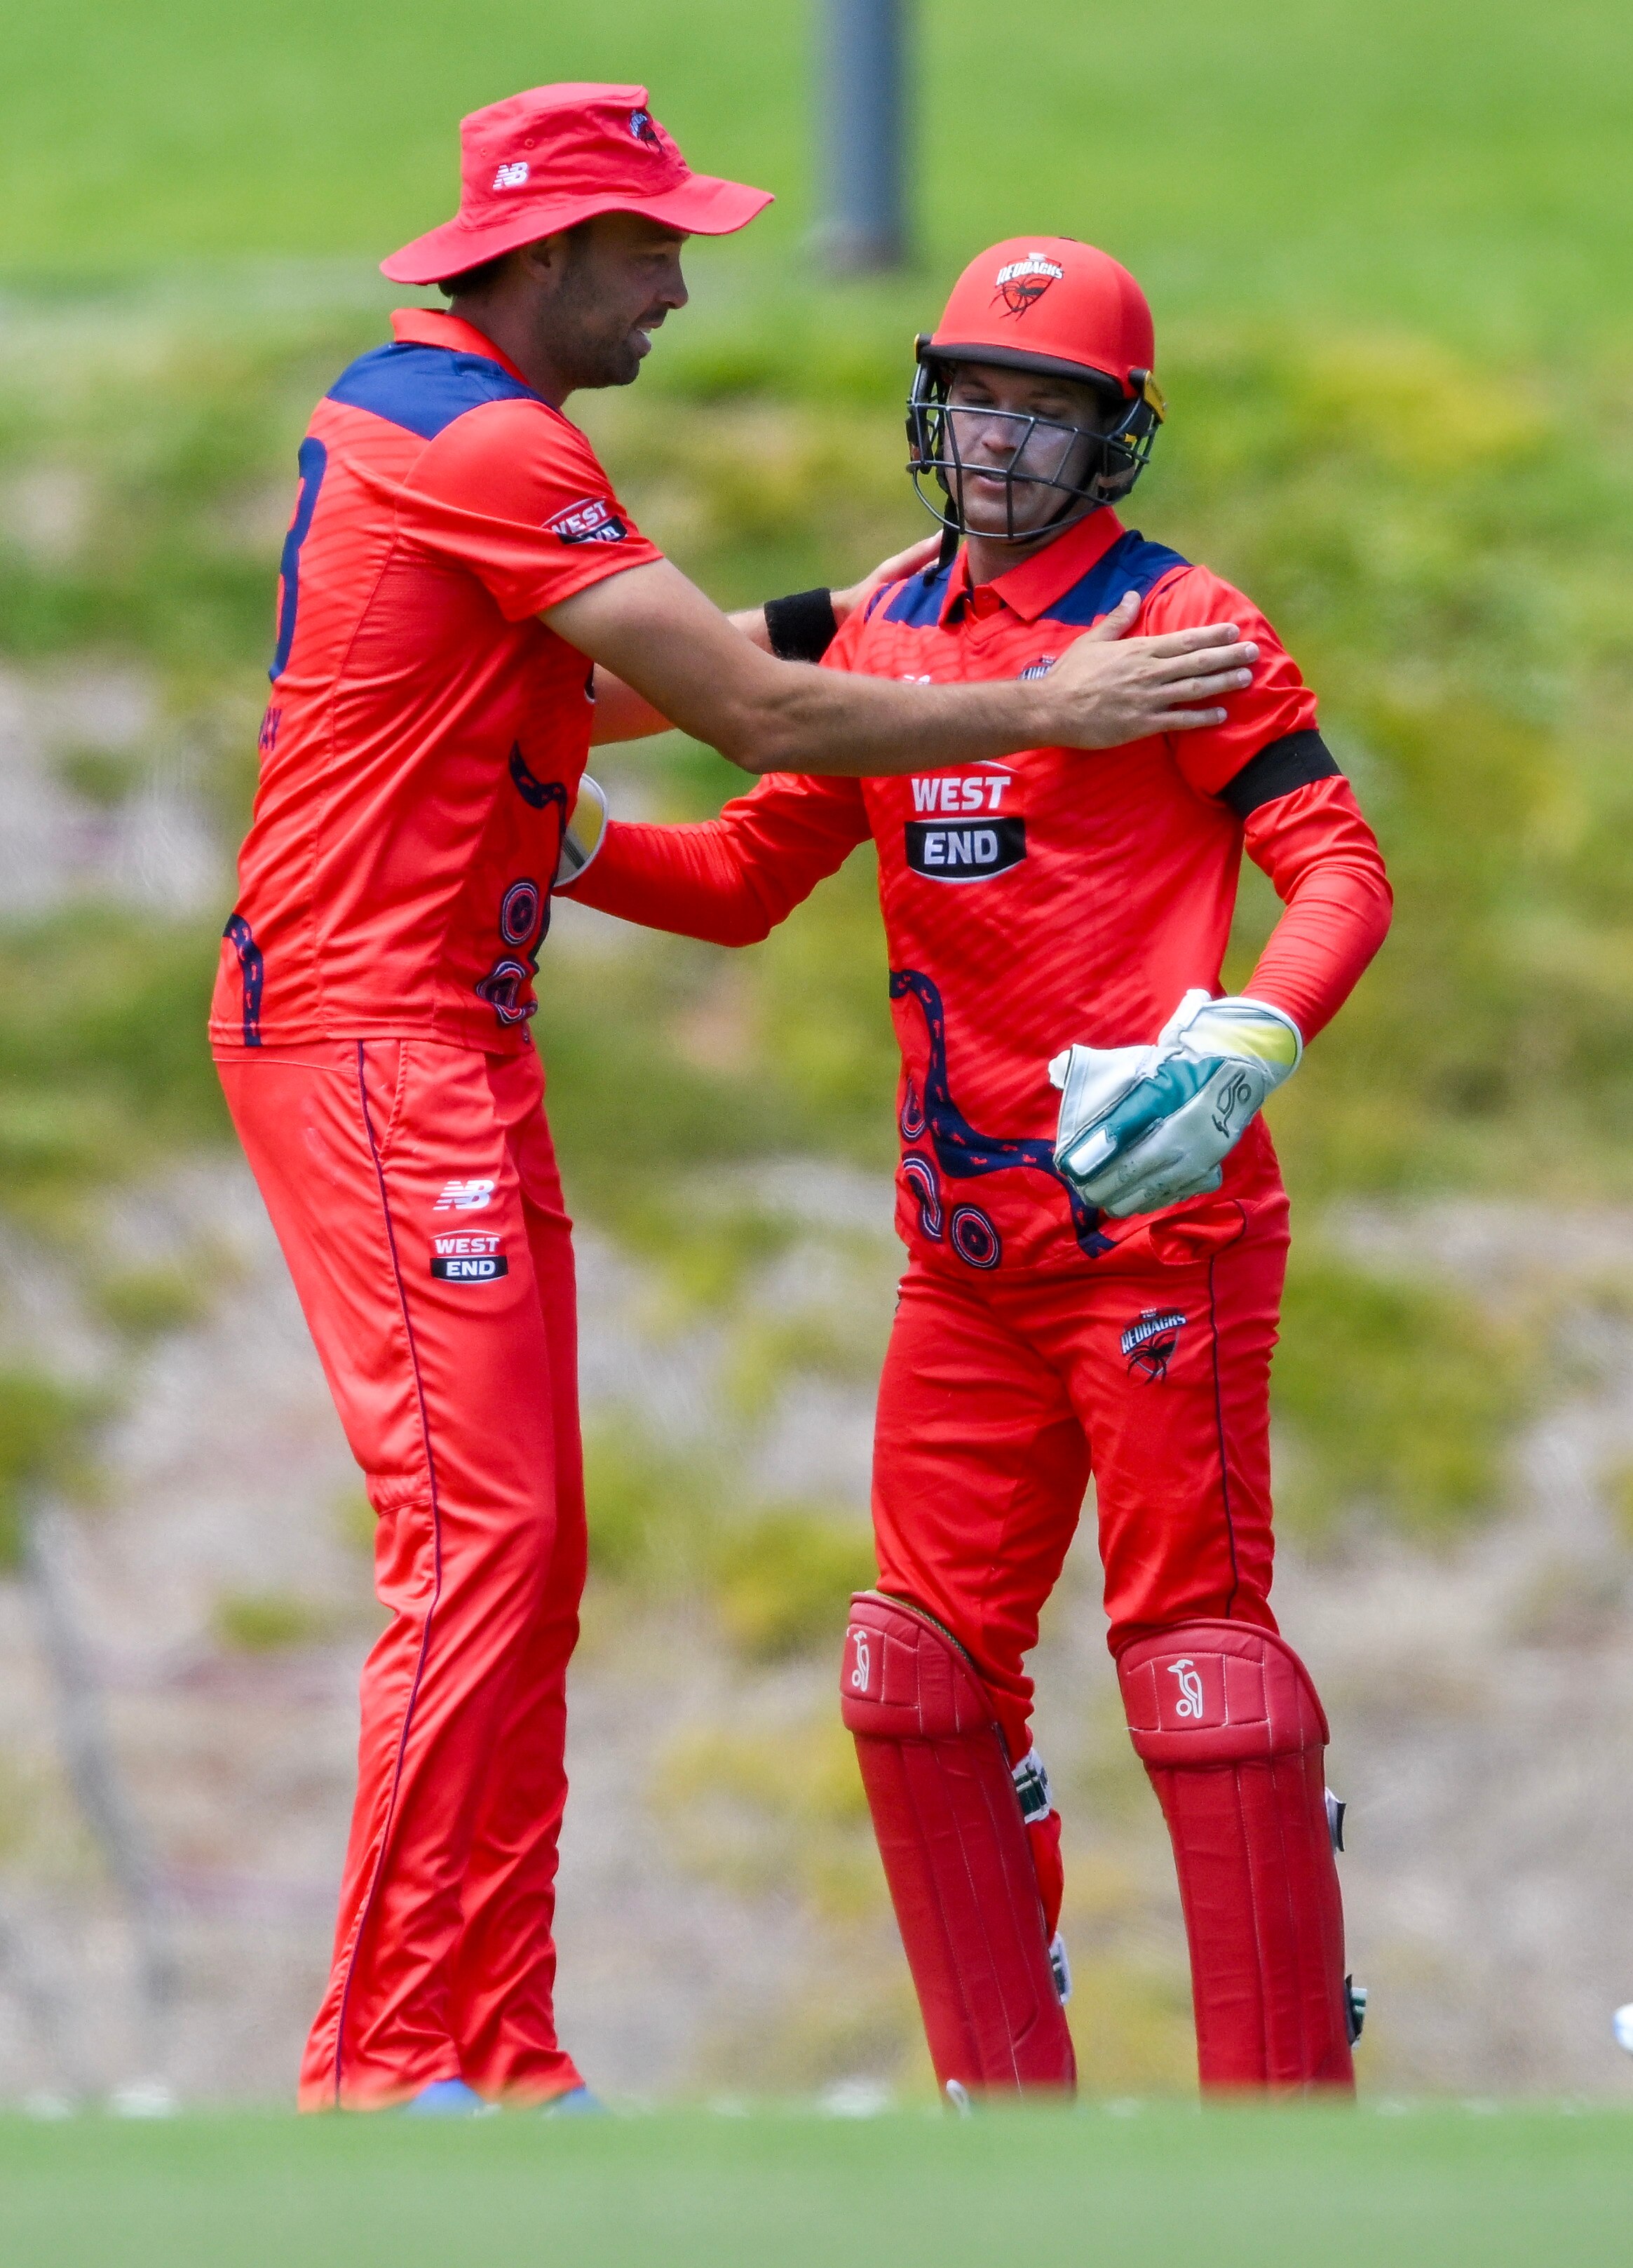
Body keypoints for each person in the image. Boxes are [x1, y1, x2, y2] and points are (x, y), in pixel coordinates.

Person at [212, 86, 1259, 2114]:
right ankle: (380, 2067)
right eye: (647, 247)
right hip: (370, 1037)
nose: (681, 283)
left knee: (524, 1556)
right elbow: (753, 711)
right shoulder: (482, 435)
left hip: (442, 1033)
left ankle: (496, 2059)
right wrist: (1037, 696)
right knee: (482, 1544)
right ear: (537, 254)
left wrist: (870, 619)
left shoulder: (455, 426)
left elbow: (668, 667)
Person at [561, 236, 1395, 2098]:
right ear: (932, 410)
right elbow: (747, 877)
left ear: (1116, 439)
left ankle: (1282, 2134)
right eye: (983, 401)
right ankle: (1001, 2123)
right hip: (962, 1257)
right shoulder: (873, 627)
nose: (1004, 442)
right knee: (915, 1678)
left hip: (1153, 1241)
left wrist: (1247, 1039)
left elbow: (1339, 869)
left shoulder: (1182, 630)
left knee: (1196, 1663)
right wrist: (570, 843)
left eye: (1049, 409)